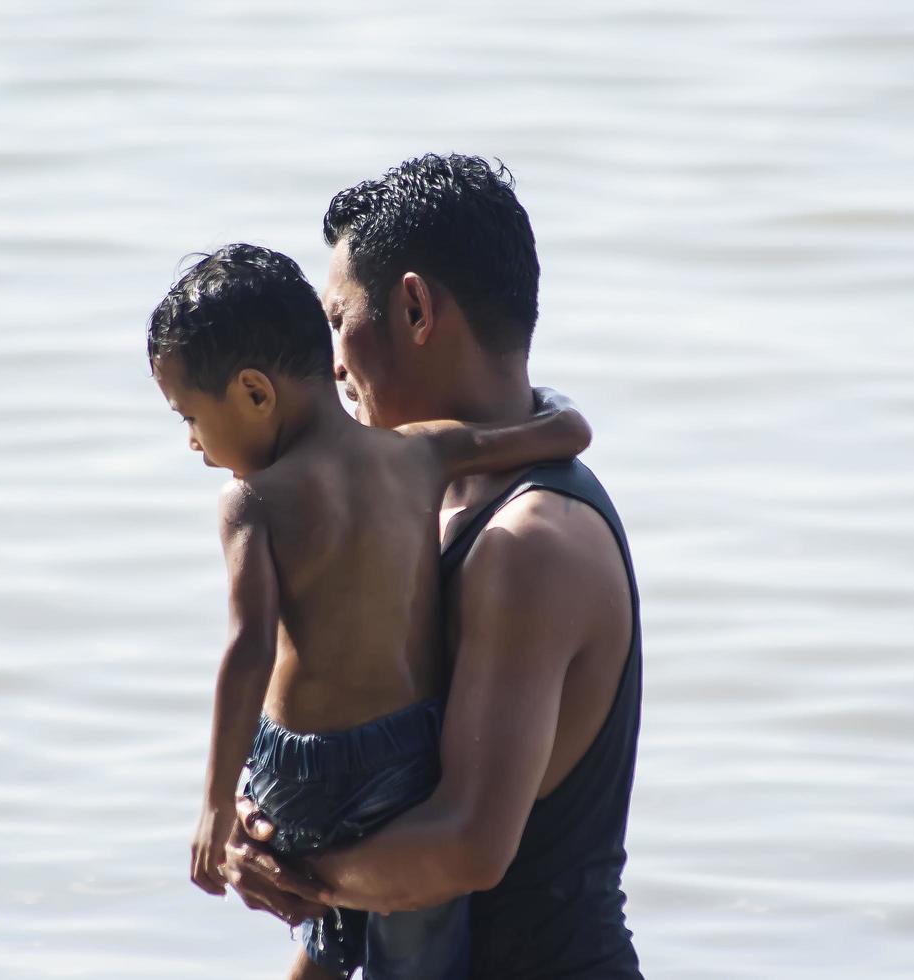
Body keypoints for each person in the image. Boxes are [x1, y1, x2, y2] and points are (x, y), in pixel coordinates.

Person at [221, 154, 645, 979]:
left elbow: (466, 845)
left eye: (338, 320)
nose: (330, 365)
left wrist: (295, 872)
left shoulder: (532, 544)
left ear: (414, 307)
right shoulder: (422, 501)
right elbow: (359, 765)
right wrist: (268, 818)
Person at [146, 243, 592, 979]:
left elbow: (249, 649)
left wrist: (218, 805)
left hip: (302, 772)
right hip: (410, 766)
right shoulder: (419, 456)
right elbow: (564, 434)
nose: (193, 442)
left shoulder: (251, 501)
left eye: (189, 417)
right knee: (412, 952)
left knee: (323, 943)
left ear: (256, 394)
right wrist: (558, 403)